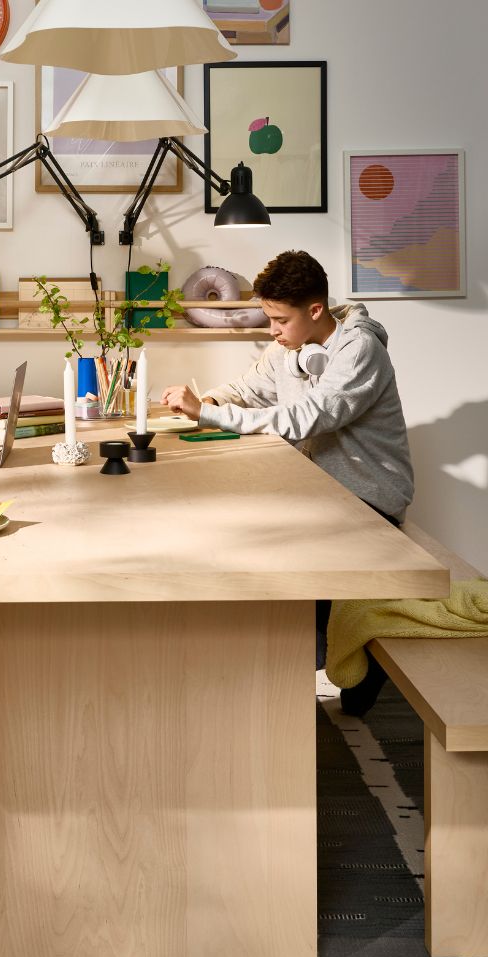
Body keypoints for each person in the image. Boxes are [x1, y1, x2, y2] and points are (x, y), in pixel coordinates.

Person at [161, 249, 414, 716]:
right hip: (320, 495)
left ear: (315, 310)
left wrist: (210, 414)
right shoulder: (288, 348)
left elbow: (307, 417)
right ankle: (281, 676)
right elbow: (249, 388)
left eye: (279, 319)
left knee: (277, 565)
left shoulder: (360, 351)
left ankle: (326, 670)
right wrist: (207, 398)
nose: (272, 331)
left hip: (367, 498)